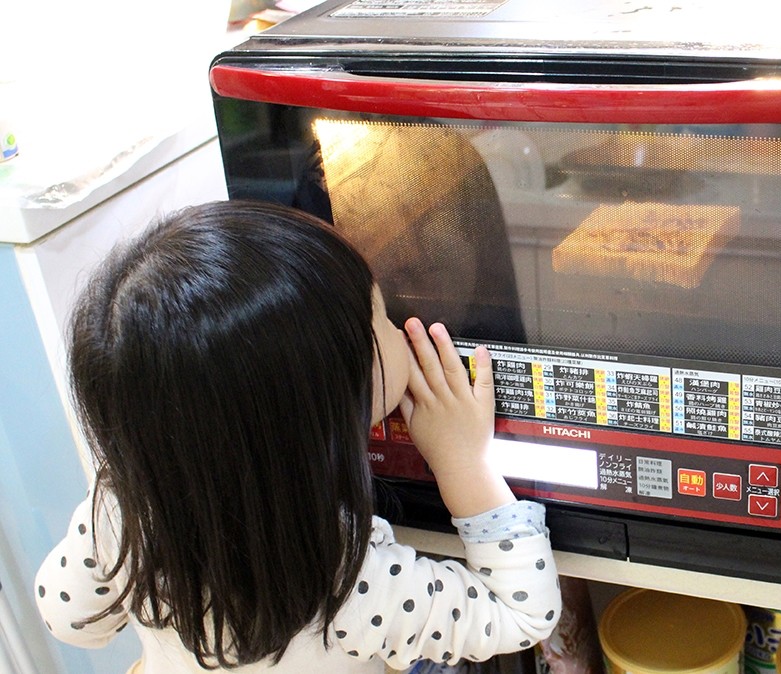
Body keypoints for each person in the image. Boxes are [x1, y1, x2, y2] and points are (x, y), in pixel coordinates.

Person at [34, 200, 560, 673]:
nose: (399, 329)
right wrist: (464, 462)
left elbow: (67, 616)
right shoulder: (345, 582)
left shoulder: (120, 507)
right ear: (328, 405)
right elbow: (523, 615)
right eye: (380, 318)